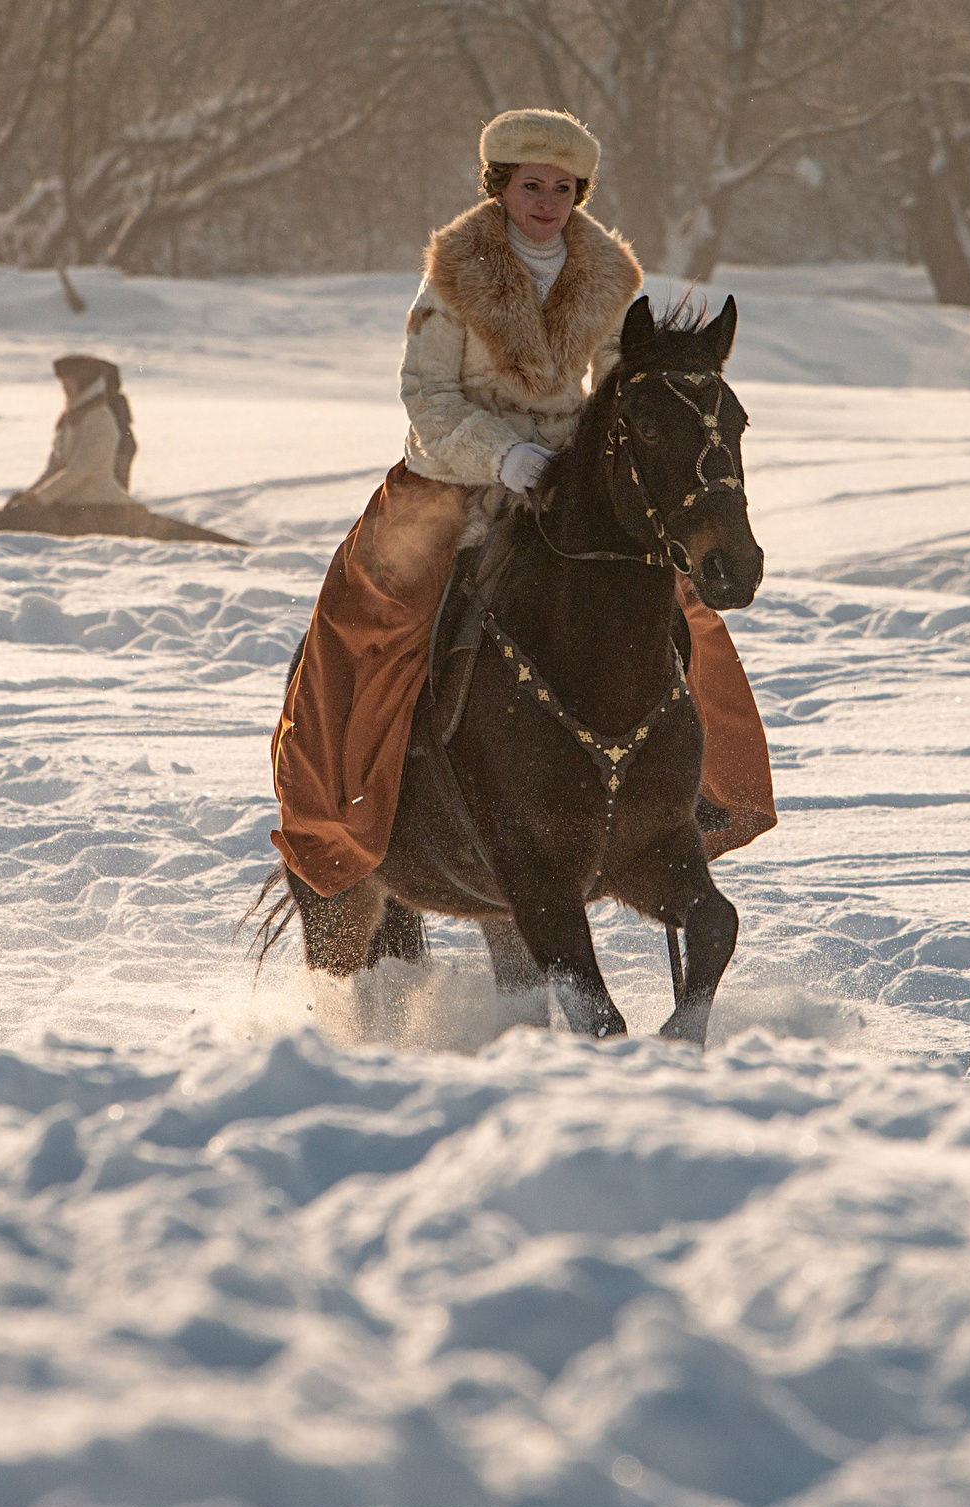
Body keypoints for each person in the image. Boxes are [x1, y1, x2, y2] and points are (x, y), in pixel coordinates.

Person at [271, 108, 775, 907]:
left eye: (563, 187)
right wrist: (504, 455)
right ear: (500, 186)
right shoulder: (451, 275)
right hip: (451, 479)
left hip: (569, 483)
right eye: (531, 184)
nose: (547, 200)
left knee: (685, 612)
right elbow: (426, 395)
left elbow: (625, 384)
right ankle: (346, 814)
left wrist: (603, 461)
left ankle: (702, 789)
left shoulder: (611, 277)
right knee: (371, 625)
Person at [7, 355, 140, 513]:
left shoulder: (100, 418)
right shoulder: (69, 420)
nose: (65, 387)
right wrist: (30, 495)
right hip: (70, 497)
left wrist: (41, 499)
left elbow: (81, 470)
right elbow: (54, 468)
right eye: (63, 382)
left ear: (85, 382)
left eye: (70, 381)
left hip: (99, 503)